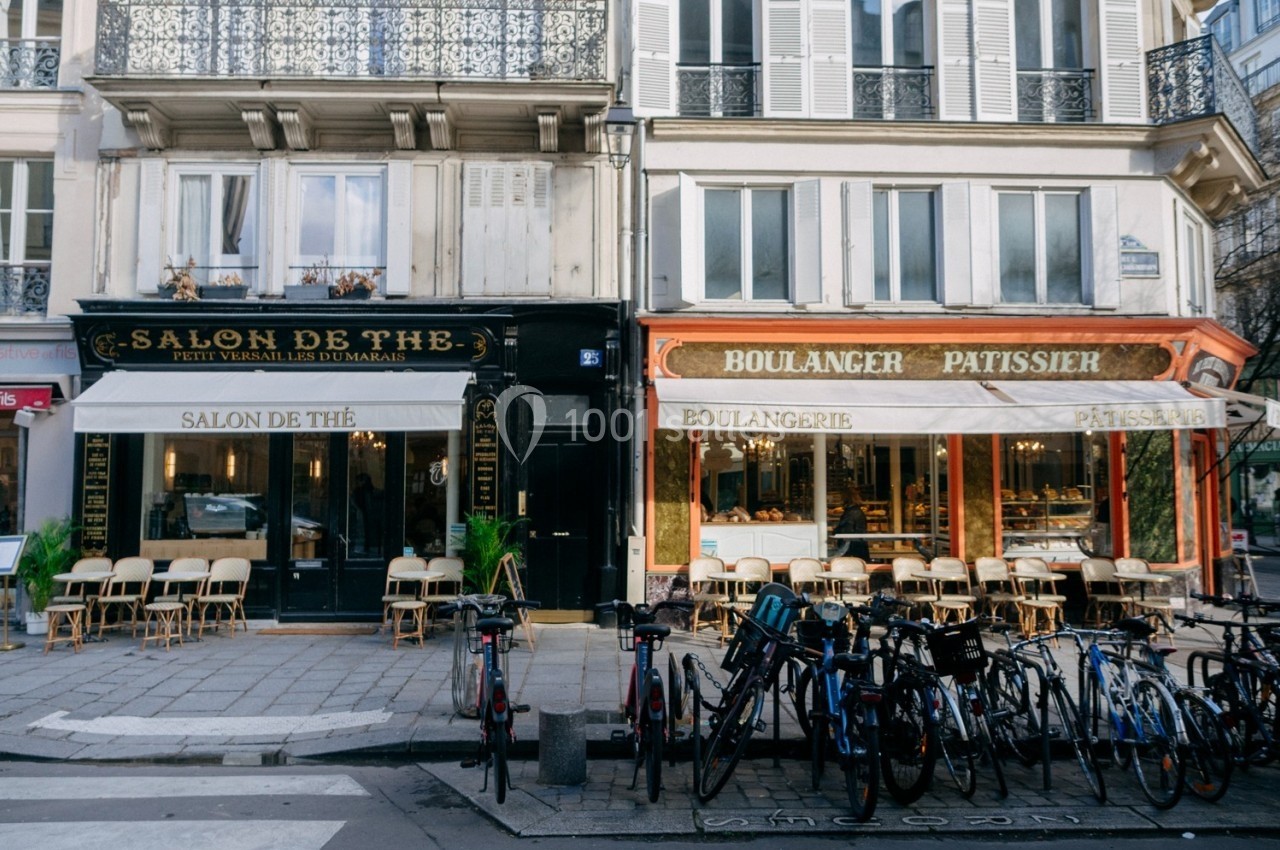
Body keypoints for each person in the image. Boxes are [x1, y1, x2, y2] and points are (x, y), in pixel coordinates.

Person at [832, 489, 871, 561]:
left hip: (852, 547)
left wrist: (835, 531)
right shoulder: (857, 511)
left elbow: (846, 530)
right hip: (859, 545)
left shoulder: (851, 513)